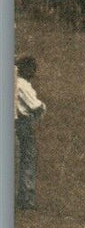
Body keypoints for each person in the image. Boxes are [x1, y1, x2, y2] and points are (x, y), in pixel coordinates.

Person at [14, 56, 45, 212]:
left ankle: (23, 196)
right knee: (27, 159)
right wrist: (42, 108)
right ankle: (26, 198)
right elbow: (36, 106)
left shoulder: (15, 82)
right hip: (23, 124)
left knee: (22, 159)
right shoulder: (22, 84)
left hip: (18, 123)